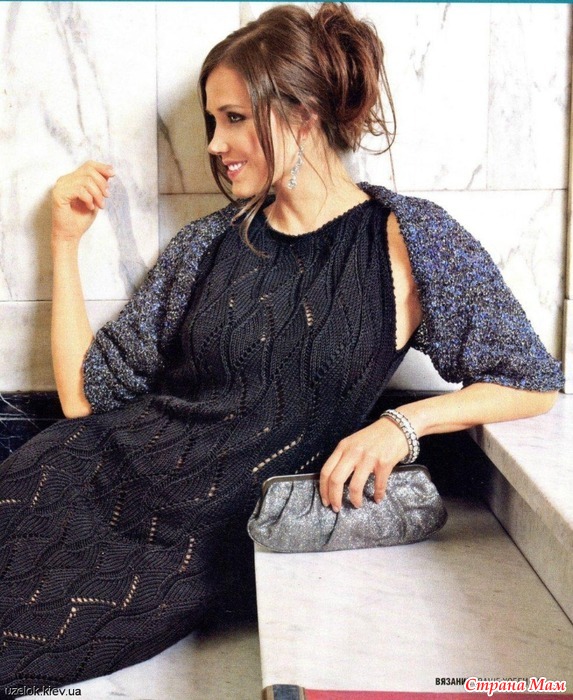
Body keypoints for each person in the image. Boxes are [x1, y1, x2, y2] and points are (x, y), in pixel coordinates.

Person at [0, 2, 563, 691]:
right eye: (213, 121)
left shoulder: (409, 237)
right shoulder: (208, 242)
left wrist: (402, 425)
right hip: (71, 479)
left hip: (183, 554)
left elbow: (530, 381)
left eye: (233, 118)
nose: (214, 143)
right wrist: (62, 242)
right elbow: (84, 401)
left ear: (302, 114)